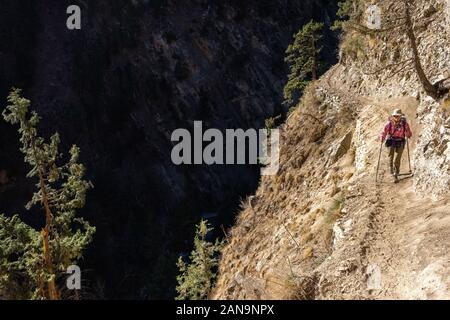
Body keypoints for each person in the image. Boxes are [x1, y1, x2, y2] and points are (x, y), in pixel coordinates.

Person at [380, 109, 412, 183]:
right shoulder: (389, 124)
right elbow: (384, 132)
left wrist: (408, 134)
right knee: (390, 156)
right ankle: (391, 170)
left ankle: (396, 173)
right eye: (395, 116)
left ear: (400, 116)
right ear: (393, 116)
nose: (396, 117)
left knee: (397, 158)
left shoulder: (404, 124)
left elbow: (409, 132)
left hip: (400, 141)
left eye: (397, 116)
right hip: (391, 141)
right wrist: (382, 138)